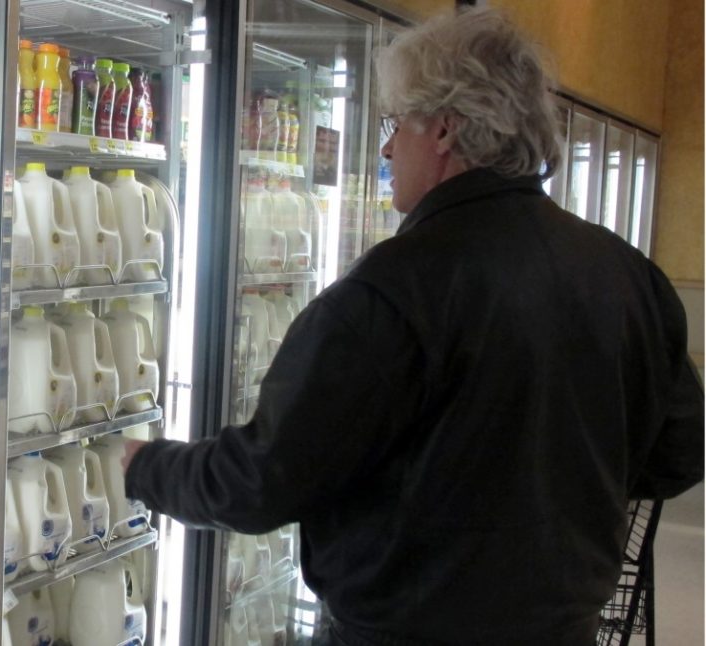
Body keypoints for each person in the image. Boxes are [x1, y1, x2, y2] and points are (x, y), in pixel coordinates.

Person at [121, 7, 704, 645]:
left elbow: (265, 481)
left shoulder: (396, 287)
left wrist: (146, 466)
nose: (387, 147)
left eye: (398, 124)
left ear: (446, 130)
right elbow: (678, 458)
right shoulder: (627, 274)